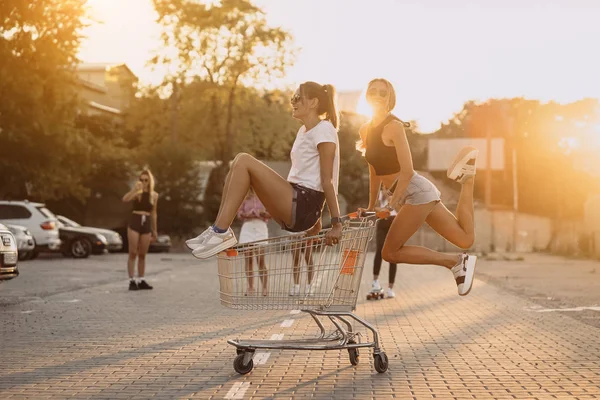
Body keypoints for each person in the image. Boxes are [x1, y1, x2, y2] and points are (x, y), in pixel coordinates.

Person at [187, 82, 343, 258]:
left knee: (245, 160)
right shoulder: (303, 131)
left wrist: (336, 223)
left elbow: (327, 181)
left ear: (313, 102)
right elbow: (310, 174)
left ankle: (221, 232)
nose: (293, 102)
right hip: (297, 202)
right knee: (239, 161)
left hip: (303, 203)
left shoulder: (325, 130)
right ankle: (217, 230)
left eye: (297, 98)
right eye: (292, 98)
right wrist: (316, 222)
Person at [358, 78, 478, 296]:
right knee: (465, 239)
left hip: (415, 191)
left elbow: (407, 171)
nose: (376, 95)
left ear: (389, 99)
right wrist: (371, 206)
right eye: (372, 91)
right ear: (366, 96)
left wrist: (391, 206)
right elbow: (374, 170)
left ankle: (454, 261)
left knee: (390, 252)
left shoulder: (394, 127)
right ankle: (467, 180)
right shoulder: (365, 130)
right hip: (414, 193)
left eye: (382, 93)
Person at [122, 169, 158, 291]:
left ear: (150, 181)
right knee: (133, 252)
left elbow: (154, 213)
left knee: (143, 254)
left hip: (146, 222)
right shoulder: (137, 193)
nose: (143, 182)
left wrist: (155, 230)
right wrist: (134, 190)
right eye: (141, 180)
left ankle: (141, 279)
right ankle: (132, 280)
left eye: (146, 180)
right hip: (135, 220)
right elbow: (125, 199)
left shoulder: (154, 195)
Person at [237, 188, 270, 296]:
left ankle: (265, 287)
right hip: (248, 227)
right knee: (248, 259)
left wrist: (263, 213)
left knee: (260, 259)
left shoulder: (265, 196)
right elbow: (239, 213)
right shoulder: (244, 197)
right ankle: (250, 287)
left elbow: (272, 214)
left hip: (260, 226)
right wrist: (246, 214)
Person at [371, 187, 398, 298]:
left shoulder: (397, 193)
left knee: (392, 255)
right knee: (379, 251)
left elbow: (399, 207)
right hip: (382, 221)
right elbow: (374, 208)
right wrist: (381, 210)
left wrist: (390, 197)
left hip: (394, 221)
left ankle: (390, 288)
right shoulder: (380, 194)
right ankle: (375, 281)